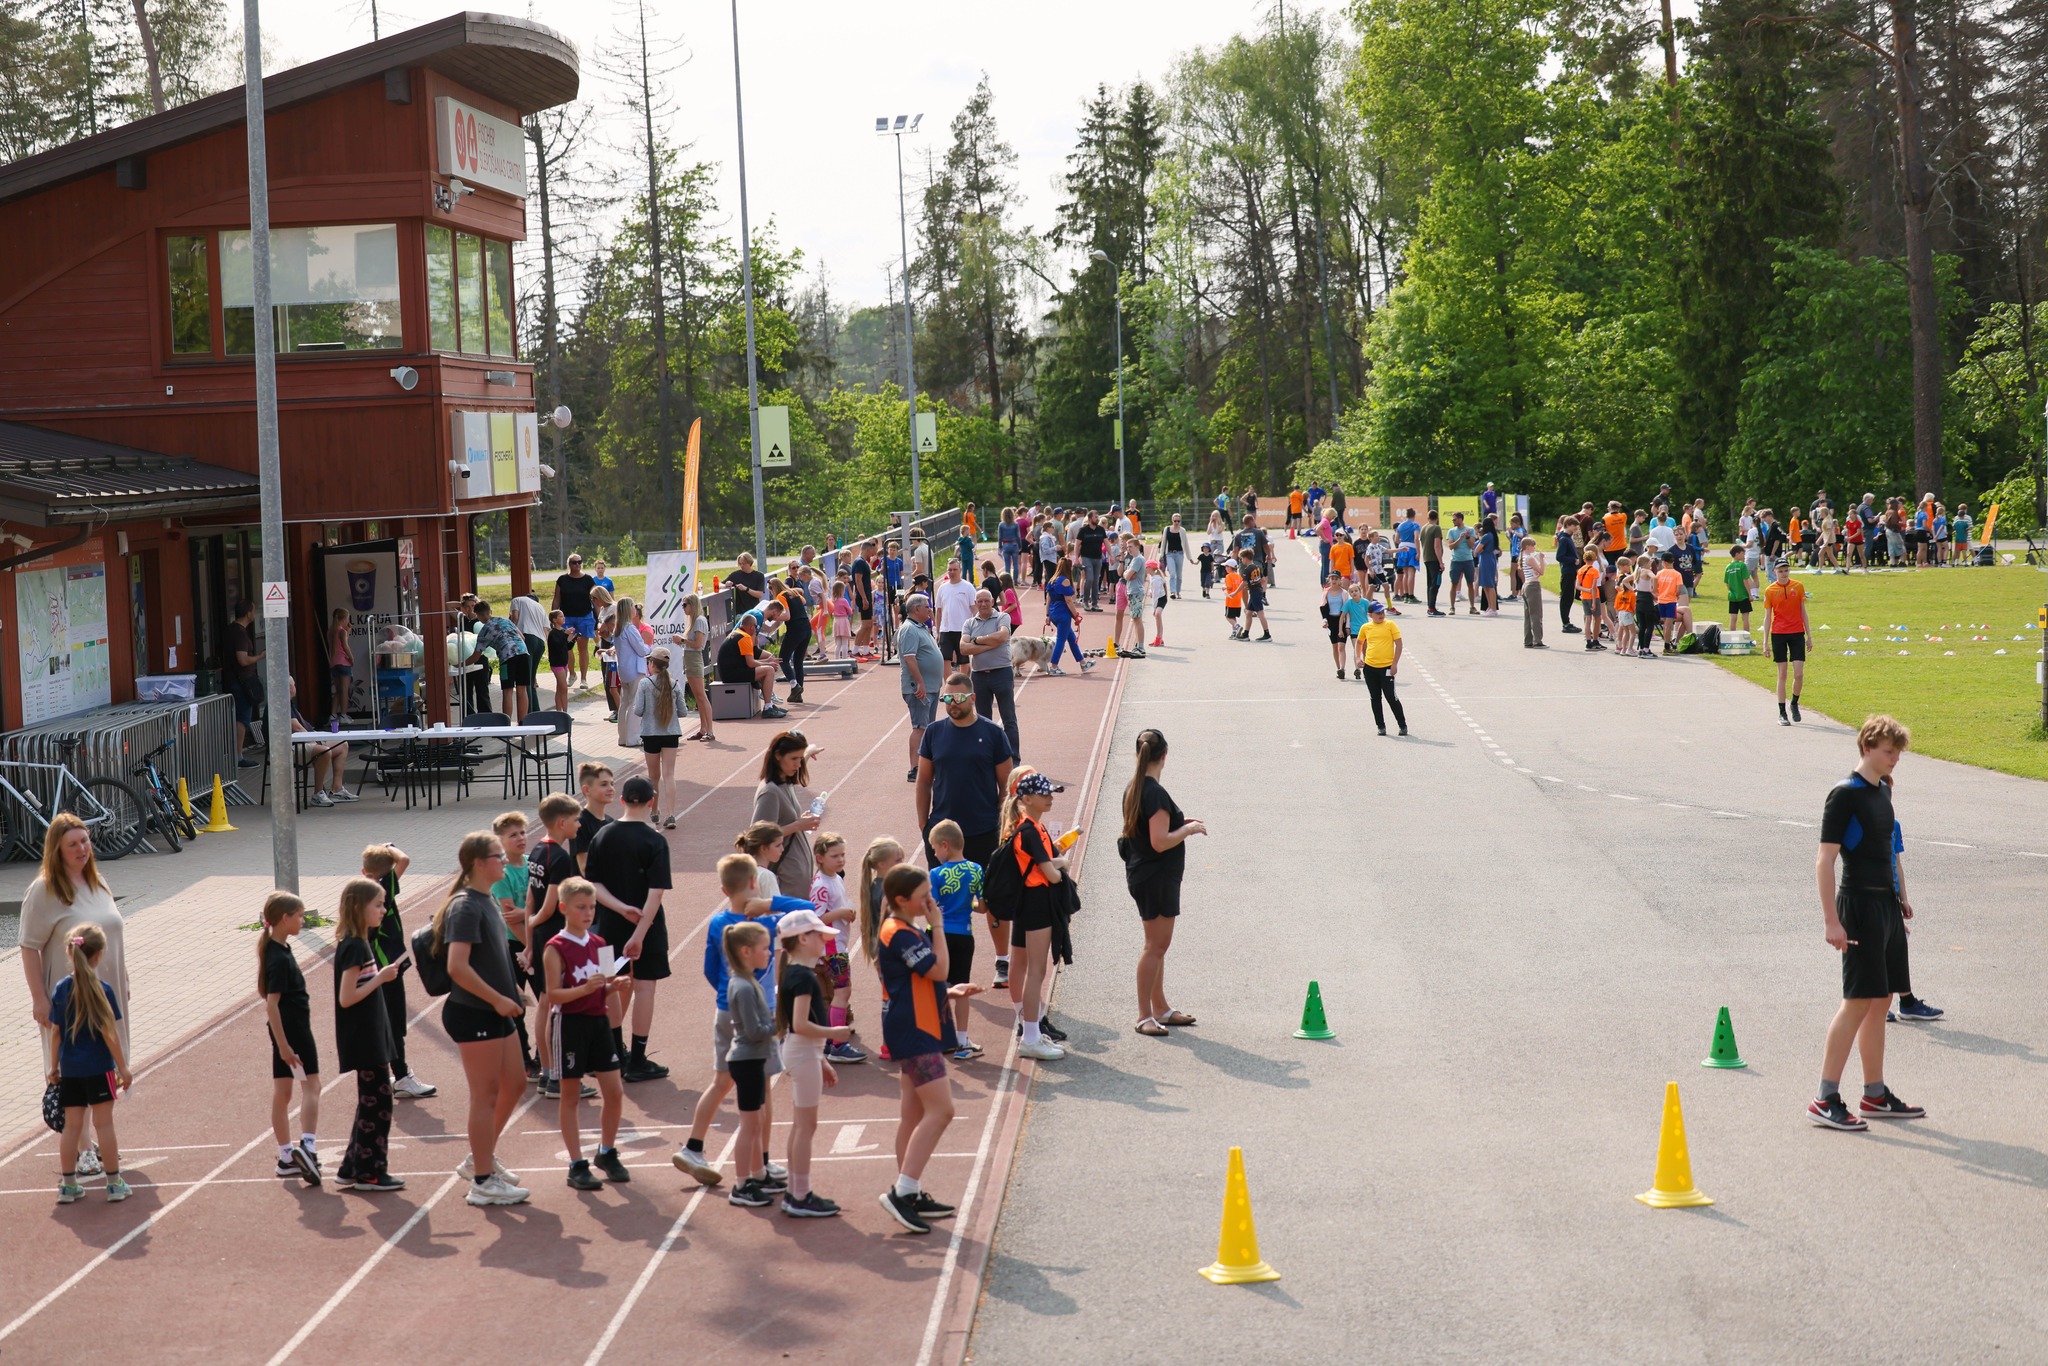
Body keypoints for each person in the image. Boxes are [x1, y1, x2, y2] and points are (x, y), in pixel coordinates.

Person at [1809, 715, 1926, 1131]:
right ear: (1867, 747)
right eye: (1888, 751)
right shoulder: (1844, 795)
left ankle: (1874, 1094)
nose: (1894, 758)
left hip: (1886, 910)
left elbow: (1887, 853)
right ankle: (1825, 1098)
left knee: (1882, 1001)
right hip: (1857, 907)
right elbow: (1824, 860)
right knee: (1857, 1002)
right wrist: (1832, 921)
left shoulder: (1883, 793)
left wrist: (1900, 901)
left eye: (1898, 752)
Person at [672, 850, 798, 1190]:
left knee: (722, 1081)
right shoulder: (765, 923)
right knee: (762, 1093)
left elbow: (709, 970)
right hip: (760, 1012)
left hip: (725, 1010)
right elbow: (808, 910)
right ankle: (763, 1163)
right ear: (754, 883)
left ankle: (694, 1146)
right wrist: (772, 902)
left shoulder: (717, 923)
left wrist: (726, 994)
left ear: (724, 890)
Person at [866, 864, 982, 1234]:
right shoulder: (899, 933)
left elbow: (920, 981)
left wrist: (948, 992)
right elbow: (938, 968)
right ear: (902, 899)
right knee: (943, 1110)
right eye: (924, 896)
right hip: (914, 1031)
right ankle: (904, 1191)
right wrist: (940, 927)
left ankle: (910, 1192)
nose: (931, 900)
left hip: (916, 1025)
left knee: (913, 1116)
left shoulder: (904, 929)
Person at [21, 815, 128, 1180]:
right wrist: (39, 997)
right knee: (74, 1070)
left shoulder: (98, 882)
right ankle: (83, 1148)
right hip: (68, 1001)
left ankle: (95, 1142)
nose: (82, 849)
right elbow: (28, 946)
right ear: (57, 850)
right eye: (73, 844)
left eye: (85, 841)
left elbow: (112, 934)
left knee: (102, 1064)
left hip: (106, 993)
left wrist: (122, 977)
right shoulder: (44, 891)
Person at [434, 831, 530, 1207]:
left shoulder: (486, 900)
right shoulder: (466, 906)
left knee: (517, 1083)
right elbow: (457, 967)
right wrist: (497, 999)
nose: (504, 861)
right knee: (486, 1095)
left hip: (496, 1008)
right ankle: (483, 1182)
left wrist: (512, 990)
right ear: (478, 862)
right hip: (475, 1012)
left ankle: (481, 1156)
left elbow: (492, 956)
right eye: (498, 857)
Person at [541, 877, 633, 1191]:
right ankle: (576, 1163)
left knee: (615, 1091)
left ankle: (607, 1152)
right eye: (581, 907)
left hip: (599, 1022)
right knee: (570, 1096)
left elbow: (605, 985)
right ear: (564, 908)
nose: (588, 913)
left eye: (592, 907)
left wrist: (613, 986)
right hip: (569, 1024)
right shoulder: (555, 948)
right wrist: (585, 988)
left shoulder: (601, 944)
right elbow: (554, 994)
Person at [585, 776, 674, 1083]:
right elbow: (656, 891)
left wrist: (620, 908)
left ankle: (611, 1054)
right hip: (648, 928)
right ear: (651, 802)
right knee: (645, 988)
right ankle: (637, 1058)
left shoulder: (602, 835)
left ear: (621, 800)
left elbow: (593, 884)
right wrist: (639, 933)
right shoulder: (654, 840)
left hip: (609, 925)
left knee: (612, 985)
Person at [1121, 729, 1204, 1038]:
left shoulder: (1136, 787)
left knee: (1156, 946)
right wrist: (1189, 829)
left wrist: (1178, 824)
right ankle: (1145, 1015)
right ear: (1164, 756)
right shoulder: (1154, 792)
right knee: (1156, 946)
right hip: (1156, 877)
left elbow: (1148, 830)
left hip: (1145, 874)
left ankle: (1161, 1009)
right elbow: (1159, 841)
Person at [774, 908, 853, 1216]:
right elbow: (801, 1024)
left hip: (805, 1053)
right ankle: (800, 1195)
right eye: (819, 935)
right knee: (807, 1126)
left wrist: (821, 1059)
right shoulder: (803, 976)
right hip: (802, 1050)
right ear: (802, 939)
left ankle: (796, 1191)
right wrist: (835, 1032)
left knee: (801, 1125)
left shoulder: (795, 971)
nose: (824, 940)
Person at [46, 923, 131, 1205]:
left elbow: (56, 1031)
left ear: (71, 953)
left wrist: (53, 1066)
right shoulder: (103, 990)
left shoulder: (61, 989)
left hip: (71, 1070)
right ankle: (114, 1184)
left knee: (72, 1126)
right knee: (104, 1124)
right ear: (99, 955)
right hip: (99, 1069)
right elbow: (110, 1033)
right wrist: (123, 1067)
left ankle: (69, 1186)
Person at [331, 877, 405, 1193]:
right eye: (378, 904)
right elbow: (347, 997)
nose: (383, 909)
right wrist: (382, 979)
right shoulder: (355, 947)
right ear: (360, 908)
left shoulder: (359, 943)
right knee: (378, 1104)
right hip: (363, 1038)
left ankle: (351, 1166)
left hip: (372, 1035)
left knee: (371, 1102)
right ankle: (370, 1170)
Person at [917, 670, 1016, 872]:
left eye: (959, 698)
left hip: (984, 832)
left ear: (973, 698)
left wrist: (1000, 824)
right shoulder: (933, 732)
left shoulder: (993, 733)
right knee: (945, 900)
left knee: (986, 898)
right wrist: (924, 825)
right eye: (947, 698)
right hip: (942, 833)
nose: (952, 703)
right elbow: (924, 781)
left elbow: (1007, 786)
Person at [361, 844, 436, 1100]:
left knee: (386, 1023)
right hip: (387, 968)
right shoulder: (381, 890)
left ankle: (387, 1074)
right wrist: (390, 848)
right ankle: (402, 1076)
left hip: (380, 967)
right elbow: (405, 858)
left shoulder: (367, 893)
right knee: (393, 1024)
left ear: (363, 871)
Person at [257, 890, 322, 1186]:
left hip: (286, 1032)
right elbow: (272, 1003)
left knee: (283, 1093)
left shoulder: (277, 948)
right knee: (312, 1087)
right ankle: (308, 1147)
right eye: (299, 915)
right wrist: (285, 1046)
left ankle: (286, 1157)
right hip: (293, 1032)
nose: (303, 919)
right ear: (285, 918)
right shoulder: (279, 958)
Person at [720, 921, 781, 1208]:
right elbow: (755, 1031)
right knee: (748, 1125)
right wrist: (779, 1023)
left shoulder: (748, 980)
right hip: (746, 1060)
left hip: (753, 1059)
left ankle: (758, 1174)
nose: (769, 953)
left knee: (756, 1121)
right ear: (746, 951)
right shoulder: (742, 986)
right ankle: (742, 1183)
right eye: (765, 948)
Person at [927, 820, 986, 1059]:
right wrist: (966, 904)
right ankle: (962, 1041)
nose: (934, 853)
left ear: (945, 845)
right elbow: (981, 907)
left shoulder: (936, 873)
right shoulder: (976, 870)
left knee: (936, 987)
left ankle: (939, 1037)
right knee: (962, 988)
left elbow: (930, 908)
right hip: (963, 934)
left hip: (938, 934)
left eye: (934, 849)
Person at [753, 730, 824, 901]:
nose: (798, 765)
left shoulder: (785, 780)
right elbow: (757, 835)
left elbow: (798, 764)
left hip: (796, 872)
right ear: (778, 756)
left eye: (800, 759)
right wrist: (798, 825)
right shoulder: (770, 792)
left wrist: (807, 753)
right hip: (787, 876)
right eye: (794, 759)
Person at [963, 587, 1020, 759]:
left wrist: (977, 641)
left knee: (1008, 718)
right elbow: (963, 648)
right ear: (975, 603)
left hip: (1001, 673)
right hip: (979, 676)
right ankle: (986, 757)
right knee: (982, 721)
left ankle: (1013, 758)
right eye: (979, 601)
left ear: (993, 602)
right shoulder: (969, 623)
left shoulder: (1003, 617)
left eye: (986, 600)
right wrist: (990, 644)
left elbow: (1002, 637)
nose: (983, 604)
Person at [1762, 558, 1811, 725]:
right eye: (1780, 571)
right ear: (1774, 571)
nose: (1784, 574)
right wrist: (1765, 642)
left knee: (1798, 673)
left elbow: (1803, 612)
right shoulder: (1770, 590)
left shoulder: (1797, 587)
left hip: (1797, 632)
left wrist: (1809, 636)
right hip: (1779, 633)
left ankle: (1794, 702)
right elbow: (1767, 617)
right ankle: (1782, 712)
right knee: (1782, 674)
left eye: (1786, 570)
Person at [467, 601, 530, 725]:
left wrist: (460, 664)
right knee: (522, 689)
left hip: (507, 658)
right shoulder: (505, 620)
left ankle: (506, 725)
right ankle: (523, 723)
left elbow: (475, 656)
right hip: (523, 653)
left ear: (479, 616)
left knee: (508, 690)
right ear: (490, 611)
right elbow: (522, 637)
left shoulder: (484, 631)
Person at [715, 615, 787, 719]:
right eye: (756, 627)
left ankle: (769, 705)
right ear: (752, 627)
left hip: (729, 672)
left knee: (766, 669)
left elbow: (749, 660)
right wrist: (768, 664)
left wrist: (767, 661)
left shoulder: (737, 633)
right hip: (732, 675)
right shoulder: (745, 637)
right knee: (769, 670)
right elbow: (751, 663)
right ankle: (768, 708)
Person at [1357, 600, 1409, 736]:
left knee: (1391, 697)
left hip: (1386, 667)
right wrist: (1357, 658)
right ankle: (1381, 726)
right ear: (1370, 615)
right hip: (1370, 668)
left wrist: (1395, 663)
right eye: (1377, 613)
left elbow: (1399, 645)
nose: (1381, 614)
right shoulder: (1366, 627)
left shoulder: (1390, 625)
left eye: (1382, 612)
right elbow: (1359, 642)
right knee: (1375, 698)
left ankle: (1402, 725)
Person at [223, 598, 264, 763]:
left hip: (235, 679)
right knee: (242, 718)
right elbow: (243, 659)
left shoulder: (231, 630)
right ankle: (238, 756)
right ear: (248, 613)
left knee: (239, 717)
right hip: (241, 681)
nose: (254, 614)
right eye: (253, 611)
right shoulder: (239, 633)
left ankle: (236, 754)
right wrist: (260, 656)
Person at [552, 554, 599, 686]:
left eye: (579, 562)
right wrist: (553, 617)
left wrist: (598, 616)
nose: (577, 565)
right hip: (566, 618)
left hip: (584, 617)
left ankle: (584, 678)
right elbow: (557, 599)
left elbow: (596, 599)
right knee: (567, 647)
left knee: (582, 648)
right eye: (574, 562)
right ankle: (572, 673)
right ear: (569, 564)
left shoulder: (588, 580)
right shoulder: (562, 580)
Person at [509, 589, 549, 713]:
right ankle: (535, 711)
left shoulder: (517, 600)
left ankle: (529, 713)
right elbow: (546, 629)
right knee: (531, 679)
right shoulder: (540, 607)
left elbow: (515, 618)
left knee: (525, 679)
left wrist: (509, 629)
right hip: (540, 643)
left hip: (527, 639)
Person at [1043, 560, 1087, 676]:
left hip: (1053, 613)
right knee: (1061, 641)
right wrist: (1076, 615)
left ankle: (1083, 663)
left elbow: (1048, 600)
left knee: (1072, 639)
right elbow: (1068, 600)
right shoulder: (1065, 581)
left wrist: (1047, 615)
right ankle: (1054, 666)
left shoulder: (1052, 580)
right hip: (1062, 614)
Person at [1445, 511, 1479, 614]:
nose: (1453, 521)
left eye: (1454, 519)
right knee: (1454, 583)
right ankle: (1452, 607)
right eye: (1453, 519)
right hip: (1456, 560)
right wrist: (1460, 538)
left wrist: (1467, 537)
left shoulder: (1470, 530)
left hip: (1468, 560)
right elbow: (1450, 546)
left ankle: (1472, 607)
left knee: (1470, 583)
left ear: (1460, 519)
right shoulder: (1451, 531)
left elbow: (1472, 545)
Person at [1076, 511, 1108, 611]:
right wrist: (1077, 558)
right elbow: (1077, 545)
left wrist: (1110, 555)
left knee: (1095, 580)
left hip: (1098, 558)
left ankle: (1095, 604)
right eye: (1095, 517)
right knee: (1089, 578)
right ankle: (1085, 601)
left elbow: (1106, 543)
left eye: (1098, 516)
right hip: (1086, 557)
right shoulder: (1083, 530)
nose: (1097, 518)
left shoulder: (1101, 530)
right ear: (1090, 519)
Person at [1520, 533, 1547, 648]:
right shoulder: (1530, 558)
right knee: (1536, 614)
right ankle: (1538, 640)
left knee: (1528, 614)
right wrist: (1541, 559)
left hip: (1526, 584)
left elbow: (1534, 572)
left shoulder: (1523, 556)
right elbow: (1541, 571)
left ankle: (1528, 640)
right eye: (1533, 546)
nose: (1534, 548)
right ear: (1527, 547)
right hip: (1533, 586)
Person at [1420, 509, 1446, 616]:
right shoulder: (1436, 528)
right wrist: (1441, 562)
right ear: (1437, 518)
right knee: (1436, 583)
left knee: (1430, 583)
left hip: (1426, 558)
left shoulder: (1424, 528)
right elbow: (1437, 545)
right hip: (1434, 559)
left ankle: (1430, 606)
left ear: (1428, 517)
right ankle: (1432, 608)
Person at [1724, 546, 1757, 632]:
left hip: (1733, 596)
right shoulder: (1742, 565)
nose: (1744, 556)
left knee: (1733, 617)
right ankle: (1746, 638)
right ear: (1737, 554)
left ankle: (1732, 636)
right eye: (1743, 553)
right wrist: (1750, 594)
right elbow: (1745, 580)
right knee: (1745, 617)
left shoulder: (1728, 567)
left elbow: (1727, 583)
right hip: (1743, 595)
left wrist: (1731, 591)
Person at [1162, 514, 1187, 598]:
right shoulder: (1167, 529)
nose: (1176, 522)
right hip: (1170, 554)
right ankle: (1172, 592)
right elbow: (1164, 542)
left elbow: (1186, 544)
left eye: (1178, 521)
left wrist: (1190, 558)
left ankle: (1178, 591)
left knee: (1179, 575)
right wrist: (1162, 554)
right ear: (1172, 520)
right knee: (1172, 573)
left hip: (1179, 554)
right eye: (1175, 521)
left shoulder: (1182, 530)